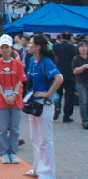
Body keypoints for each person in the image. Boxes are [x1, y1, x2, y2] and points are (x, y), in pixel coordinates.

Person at [23, 34, 63, 179]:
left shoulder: (46, 62)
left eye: (31, 43)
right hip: (33, 103)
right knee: (34, 138)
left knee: (45, 139)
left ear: (38, 46)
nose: (28, 45)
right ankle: (37, 169)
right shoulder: (32, 61)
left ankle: (48, 173)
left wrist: (47, 93)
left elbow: (59, 78)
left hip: (44, 104)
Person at [0, 35, 27, 164]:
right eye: (2, 48)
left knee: (15, 129)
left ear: (11, 49)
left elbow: (20, 80)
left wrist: (14, 95)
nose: (5, 50)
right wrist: (5, 95)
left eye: (7, 48)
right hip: (1, 100)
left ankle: (13, 152)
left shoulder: (18, 63)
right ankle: (4, 152)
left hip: (16, 100)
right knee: (2, 129)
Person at [52, 31, 77, 122]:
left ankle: (57, 107)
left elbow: (52, 57)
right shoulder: (73, 48)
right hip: (70, 74)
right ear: (70, 38)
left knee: (57, 93)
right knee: (69, 96)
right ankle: (67, 115)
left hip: (58, 73)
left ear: (61, 37)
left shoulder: (55, 46)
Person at [72, 41, 88, 129]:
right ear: (78, 49)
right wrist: (84, 66)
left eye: (85, 46)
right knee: (84, 102)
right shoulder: (76, 59)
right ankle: (85, 121)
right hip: (81, 83)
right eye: (81, 47)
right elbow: (74, 71)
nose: (83, 48)